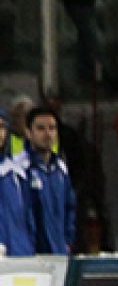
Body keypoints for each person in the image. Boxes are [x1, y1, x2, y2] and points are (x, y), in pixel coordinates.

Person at [13, 106, 76, 255]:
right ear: (28, 132)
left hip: (59, 251)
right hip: (30, 253)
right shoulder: (18, 169)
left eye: (52, 128)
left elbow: (70, 207)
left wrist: (68, 241)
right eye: (41, 128)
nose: (48, 134)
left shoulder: (60, 168)